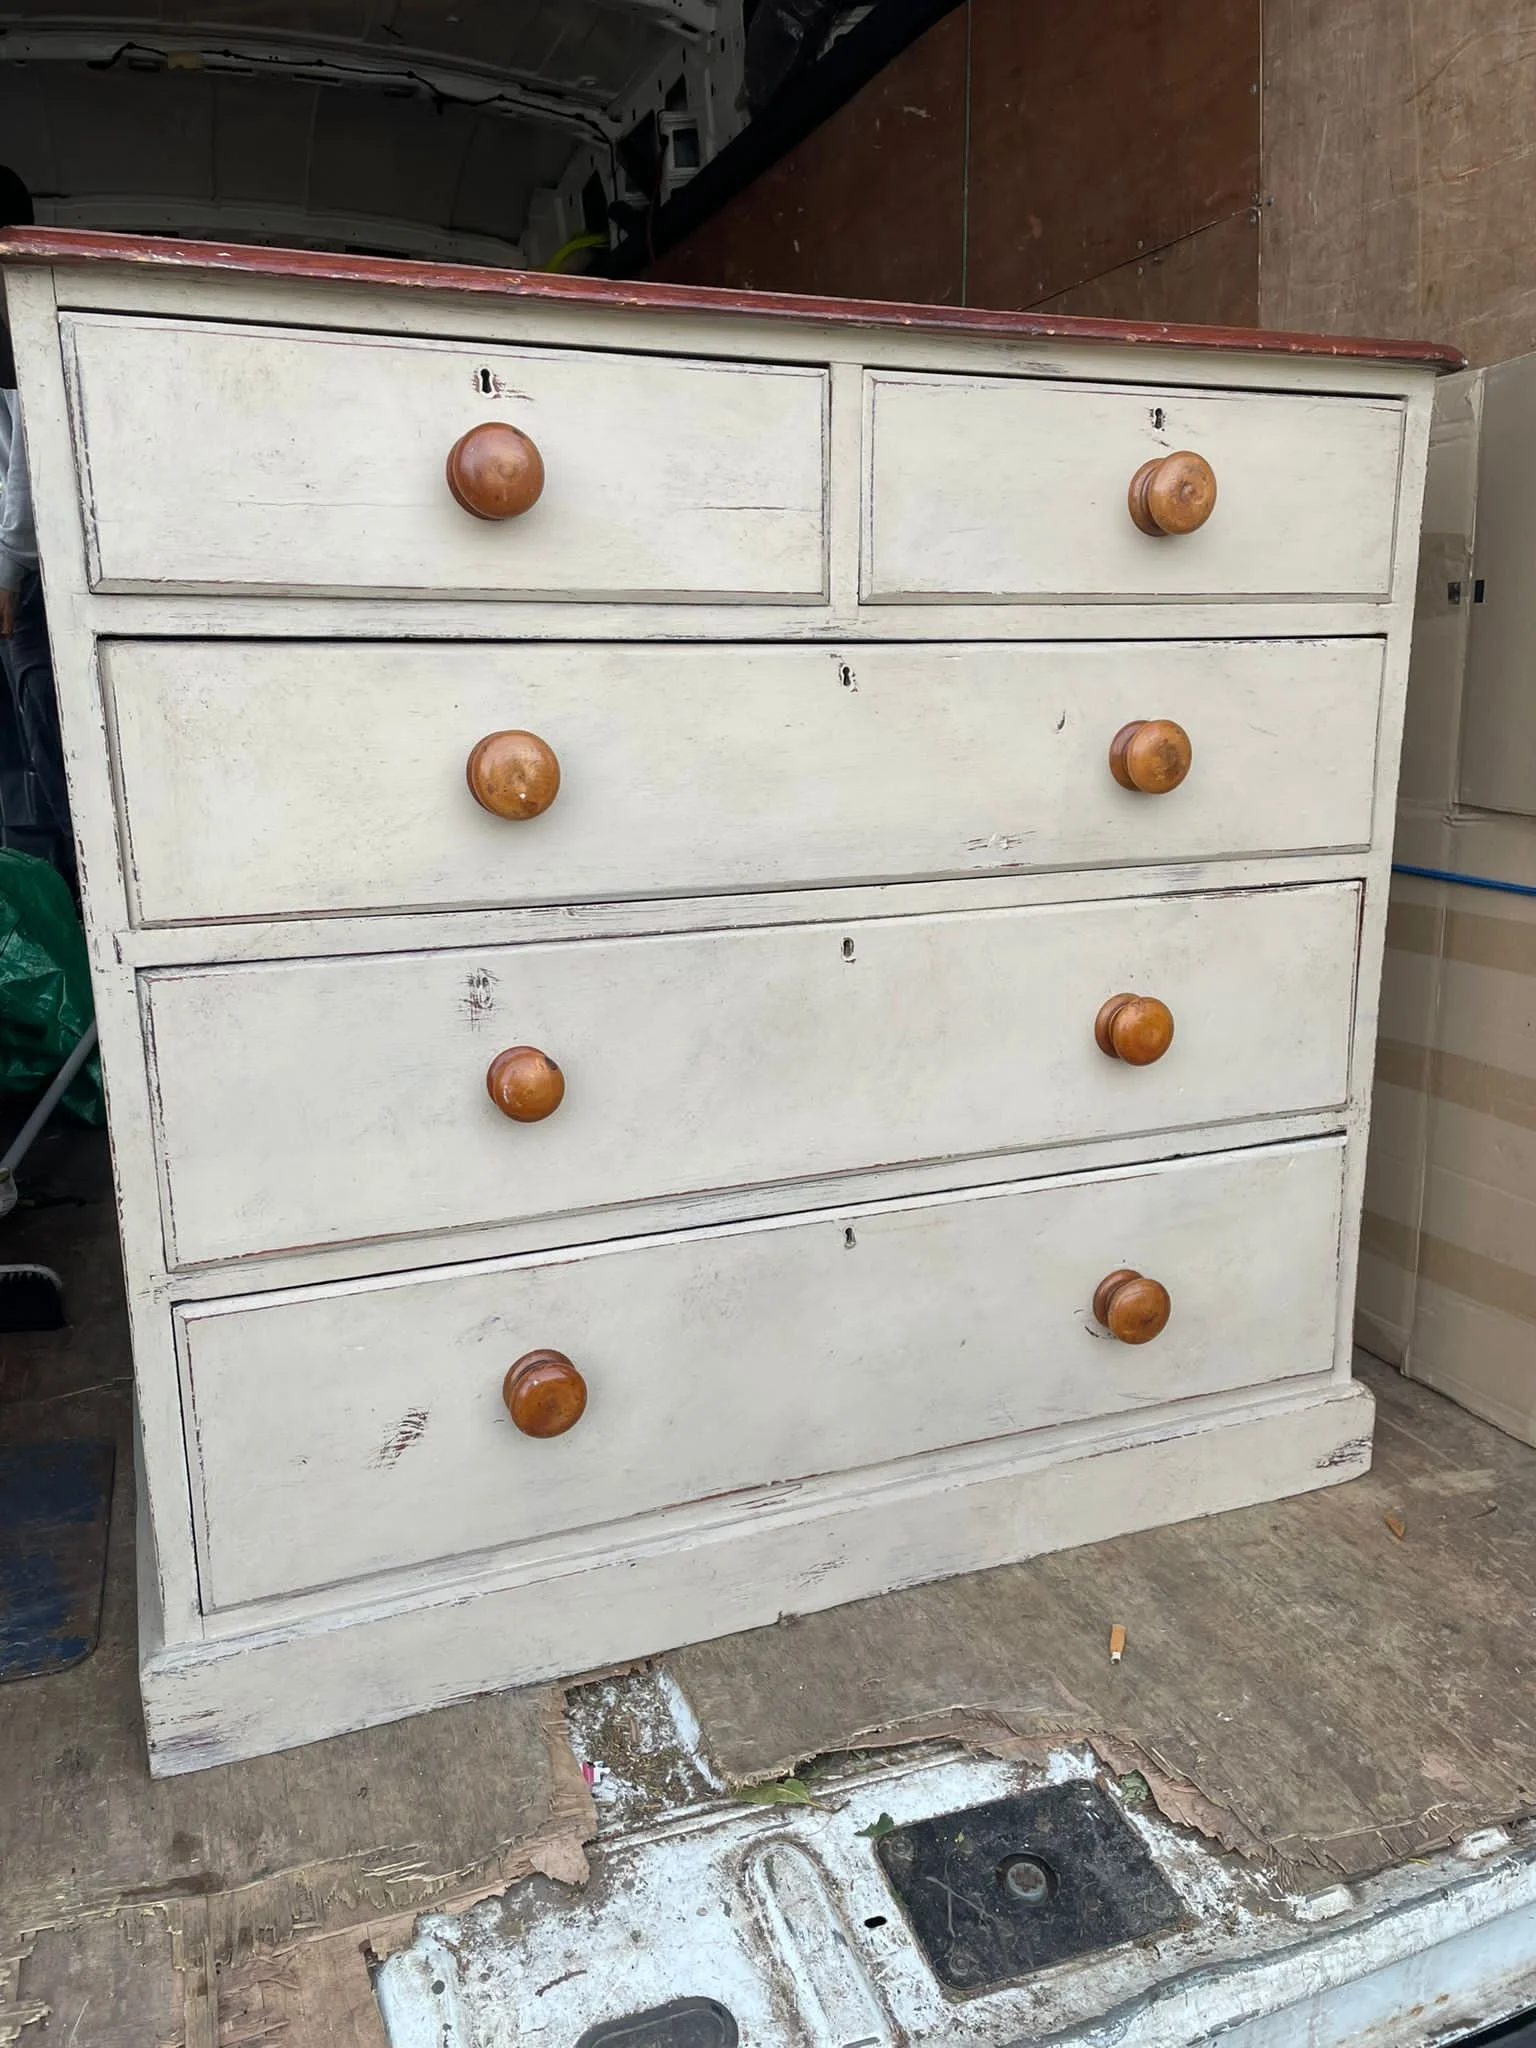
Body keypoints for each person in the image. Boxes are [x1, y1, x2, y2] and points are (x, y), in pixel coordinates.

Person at [0, 165, 74, 893]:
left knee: (48, 765)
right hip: (26, 580)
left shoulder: (20, 321)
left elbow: (29, 462)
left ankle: (74, 907)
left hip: (28, 585)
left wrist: (6, 569)